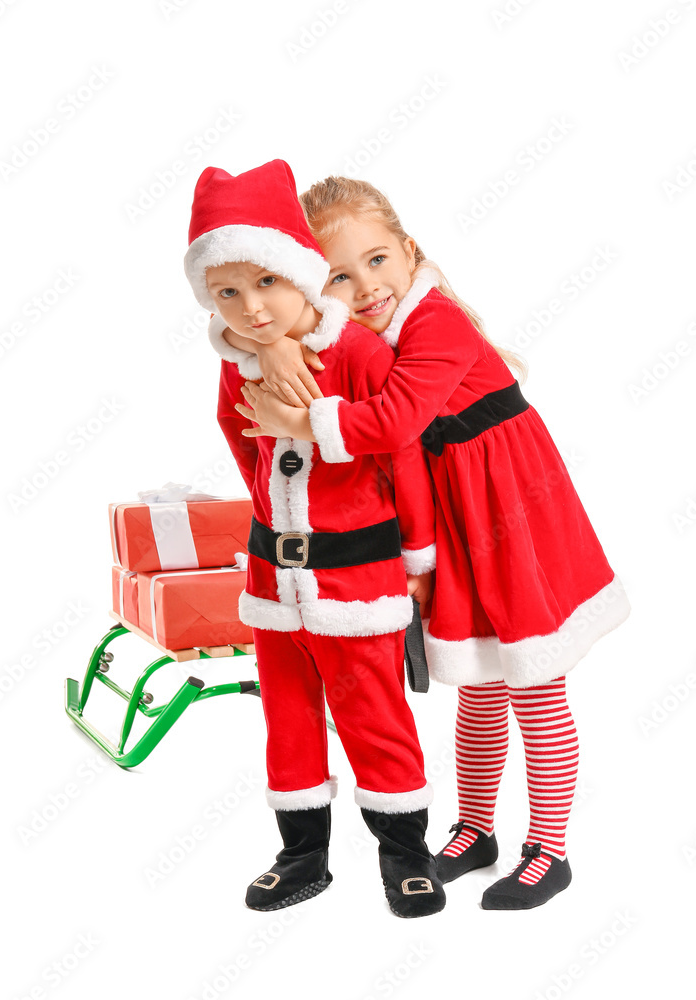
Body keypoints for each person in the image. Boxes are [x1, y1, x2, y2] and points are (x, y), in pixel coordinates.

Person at [229, 175, 631, 910]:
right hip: (450, 514)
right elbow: (260, 325)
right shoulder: (350, 333)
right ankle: (474, 827)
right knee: (475, 684)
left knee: (532, 681)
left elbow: (394, 421)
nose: (367, 286)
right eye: (341, 277)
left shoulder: (434, 319)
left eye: (378, 260)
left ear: (410, 252)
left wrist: (300, 425)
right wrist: (269, 343)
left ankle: (549, 846)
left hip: (511, 510)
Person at [183, 160, 447, 917]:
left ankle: (404, 854)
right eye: (227, 293)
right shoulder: (240, 361)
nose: (251, 308)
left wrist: (416, 558)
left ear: (300, 273)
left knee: (375, 718)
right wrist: (267, 508)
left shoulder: (359, 353)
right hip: (272, 584)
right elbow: (238, 438)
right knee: (288, 719)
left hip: (356, 582)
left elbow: (400, 455)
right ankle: (302, 854)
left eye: (265, 283)